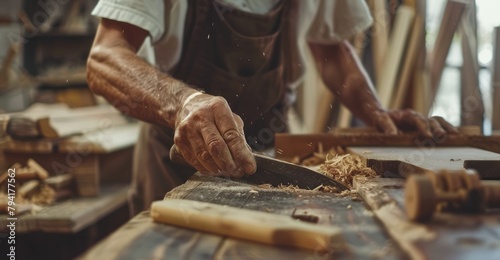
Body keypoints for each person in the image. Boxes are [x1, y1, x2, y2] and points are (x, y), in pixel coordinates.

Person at [88, 0, 457, 214]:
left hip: (270, 151)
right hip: (174, 157)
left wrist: (376, 111)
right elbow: (105, 58)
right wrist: (182, 102)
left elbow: (331, 49)